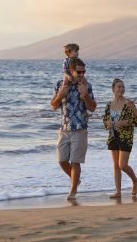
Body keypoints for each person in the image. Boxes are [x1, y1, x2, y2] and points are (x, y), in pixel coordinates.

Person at [50, 58, 96, 201]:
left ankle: (73, 191)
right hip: (64, 128)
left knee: (75, 161)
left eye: (84, 72)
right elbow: (53, 106)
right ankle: (76, 180)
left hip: (80, 128)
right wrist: (60, 95)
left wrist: (85, 95)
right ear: (71, 70)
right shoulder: (60, 85)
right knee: (62, 161)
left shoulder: (87, 86)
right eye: (79, 72)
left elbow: (92, 108)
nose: (82, 74)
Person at [102, 78, 137, 199]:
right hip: (113, 137)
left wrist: (125, 122)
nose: (121, 89)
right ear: (113, 89)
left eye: (123, 87)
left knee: (122, 165)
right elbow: (105, 120)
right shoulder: (109, 105)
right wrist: (107, 123)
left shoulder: (129, 104)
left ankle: (135, 180)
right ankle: (118, 192)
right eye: (119, 87)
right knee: (116, 166)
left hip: (126, 137)